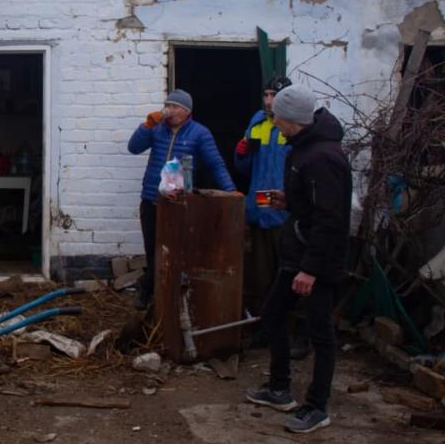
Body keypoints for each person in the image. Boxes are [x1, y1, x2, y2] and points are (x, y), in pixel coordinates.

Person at [245, 85, 352, 434]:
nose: (274, 122)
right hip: (298, 252)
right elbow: (312, 204)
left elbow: (330, 219)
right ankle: (279, 389)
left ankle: (317, 407)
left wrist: (310, 269)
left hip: (318, 260)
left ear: (293, 120)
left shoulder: (323, 158)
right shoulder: (304, 147)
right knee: (273, 315)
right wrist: (287, 200)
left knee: (320, 333)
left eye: (278, 117)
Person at [127, 89, 237, 310]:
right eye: (167, 104)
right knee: (152, 250)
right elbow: (133, 148)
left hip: (178, 201)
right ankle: (152, 293)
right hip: (151, 199)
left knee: (174, 250)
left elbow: (215, 163)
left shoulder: (199, 133)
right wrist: (146, 125)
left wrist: (230, 190)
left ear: (186, 111)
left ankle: (157, 293)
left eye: (174, 106)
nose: (168, 109)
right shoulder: (157, 129)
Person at [234, 76, 292, 318]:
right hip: (260, 206)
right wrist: (241, 154)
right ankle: (264, 325)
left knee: (287, 270)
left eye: (274, 95)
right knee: (261, 273)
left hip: (286, 209)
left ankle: (288, 325)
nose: (269, 101)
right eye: (266, 95)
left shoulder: (292, 126)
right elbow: (245, 169)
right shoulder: (257, 123)